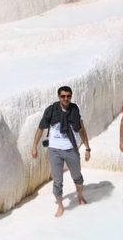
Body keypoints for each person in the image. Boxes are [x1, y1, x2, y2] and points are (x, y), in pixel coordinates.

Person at [31, 86, 91, 217]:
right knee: (57, 181)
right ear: (59, 97)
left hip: (71, 149)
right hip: (55, 150)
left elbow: (81, 129)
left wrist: (87, 148)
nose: (66, 98)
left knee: (77, 176)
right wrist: (34, 146)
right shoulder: (51, 110)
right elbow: (41, 128)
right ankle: (60, 206)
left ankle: (80, 196)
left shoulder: (74, 109)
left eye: (68, 96)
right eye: (63, 96)